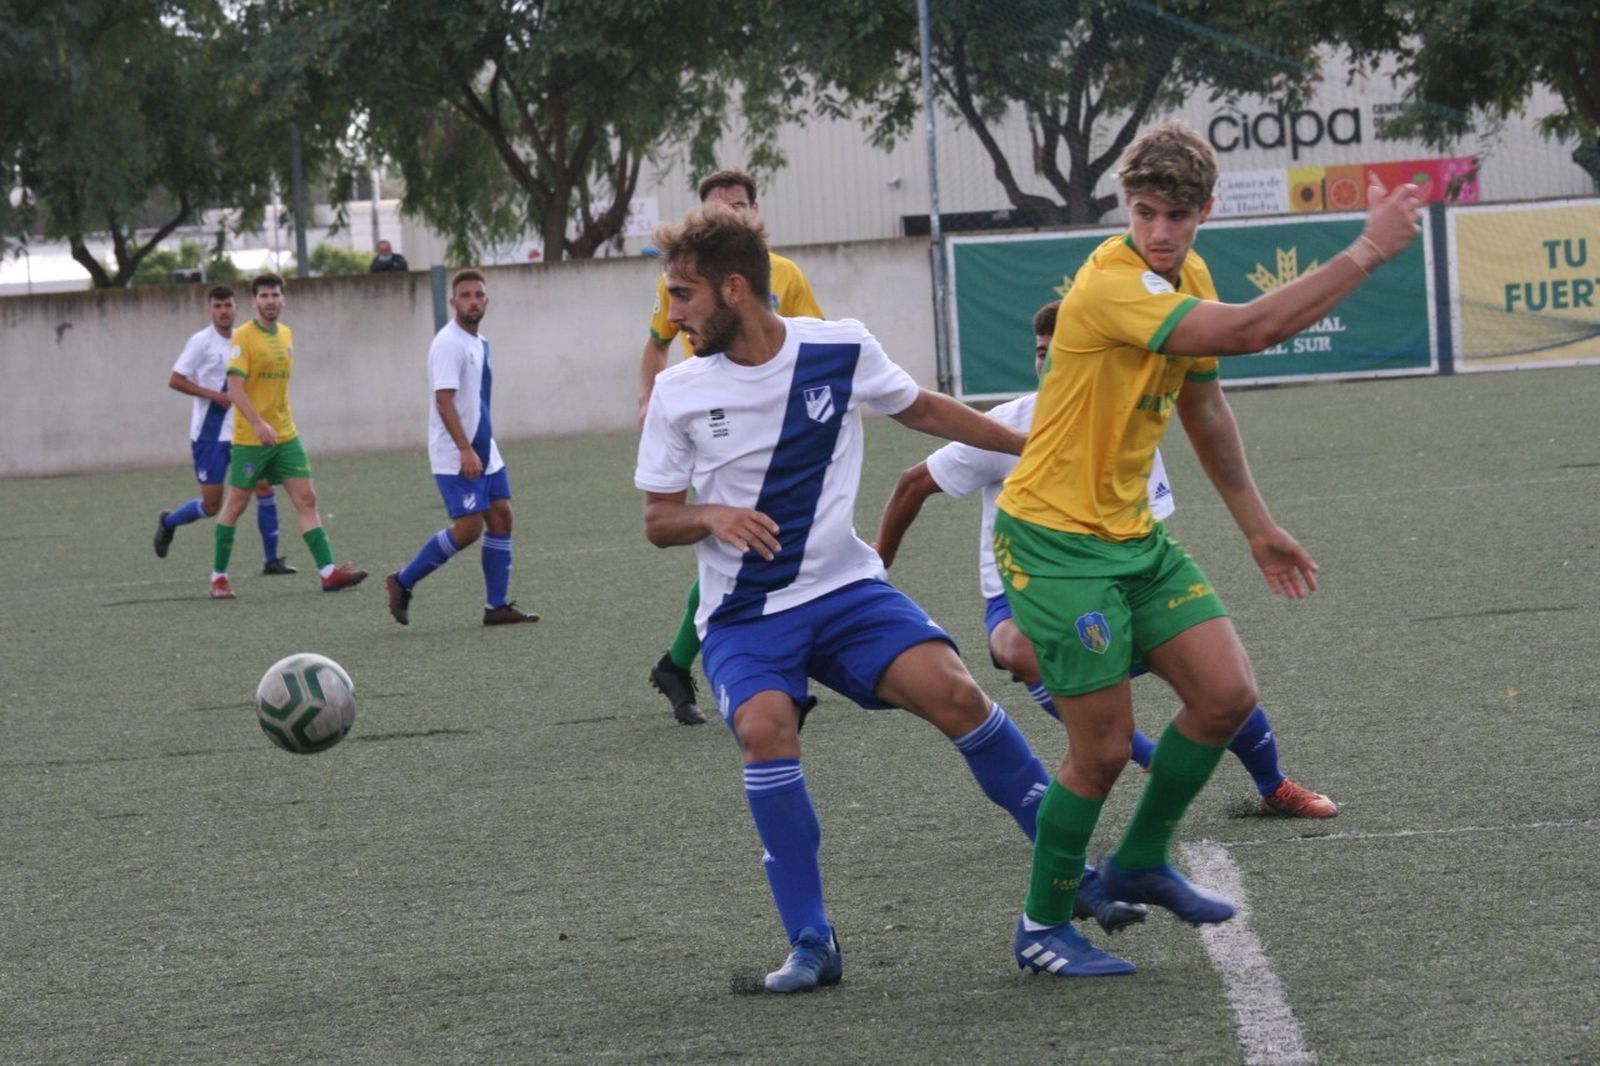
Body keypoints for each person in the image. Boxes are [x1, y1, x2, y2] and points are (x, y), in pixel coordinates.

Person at [992, 121, 1421, 977]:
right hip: (1056, 543)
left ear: (1204, 213)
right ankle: (1041, 925)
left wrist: (1256, 524)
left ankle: (1141, 861)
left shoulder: (1187, 271)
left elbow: (1205, 407)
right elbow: (1253, 331)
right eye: (1144, 212)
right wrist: (1368, 251)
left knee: (1225, 695)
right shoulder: (1111, 282)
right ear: (1127, 209)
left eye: (1176, 215)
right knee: (1103, 749)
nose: (1158, 232)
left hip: (1131, 537)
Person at [636, 205, 1078, 993]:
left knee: (957, 692)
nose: (672, 316)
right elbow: (658, 519)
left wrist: (1029, 445)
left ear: (733, 289)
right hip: (743, 615)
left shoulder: (838, 348)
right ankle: (812, 942)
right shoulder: (678, 391)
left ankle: (1077, 879)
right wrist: (712, 515)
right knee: (765, 729)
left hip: (844, 589)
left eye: (682, 296)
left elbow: (921, 408)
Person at [874, 298, 1338, 822]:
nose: (1048, 363)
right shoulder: (1007, 427)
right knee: (1016, 647)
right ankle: (1149, 760)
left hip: (1118, 579)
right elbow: (913, 483)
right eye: (1040, 352)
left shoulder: (1129, 427)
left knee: (1215, 677)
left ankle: (1275, 786)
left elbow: (1148, 528)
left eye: (1061, 351)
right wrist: (878, 562)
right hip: (1023, 593)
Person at [638, 168, 824, 727]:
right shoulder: (682, 281)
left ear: (756, 211)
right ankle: (759, 671)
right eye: (720, 209)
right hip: (712, 426)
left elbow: (813, 343)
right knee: (745, 538)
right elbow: (655, 344)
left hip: (774, 426)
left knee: (752, 540)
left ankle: (680, 662)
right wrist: (649, 402)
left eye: (740, 207)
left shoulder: (784, 274)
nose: (732, 216)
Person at [384, 270, 539, 627]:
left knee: (501, 516)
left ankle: (496, 606)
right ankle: (402, 581)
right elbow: (444, 402)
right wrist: (465, 450)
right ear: (454, 302)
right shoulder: (448, 344)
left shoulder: (480, 342)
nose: (473, 300)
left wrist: (483, 448)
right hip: (458, 454)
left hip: (485, 450)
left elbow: (476, 401)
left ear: (486, 300)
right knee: (468, 528)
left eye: (478, 295)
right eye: (465, 295)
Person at [207, 272, 368, 599]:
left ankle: (328, 573)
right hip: (251, 439)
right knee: (236, 504)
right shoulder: (243, 337)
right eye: (263, 296)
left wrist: (276, 425)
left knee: (307, 499)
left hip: (285, 435)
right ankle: (219, 577)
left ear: (283, 299)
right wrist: (257, 424)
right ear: (254, 302)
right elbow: (234, 389)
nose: (270, 301)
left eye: (274, 295)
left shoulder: (285, 334)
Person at [153, 285, 295, 575]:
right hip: (210, 435)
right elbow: (175, 380)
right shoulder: (200, 342)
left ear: (237, 308)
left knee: (264, 487)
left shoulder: (246, 337)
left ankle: (272, 559)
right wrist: (212, 394)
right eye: (218, 306)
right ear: (210, 310)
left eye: (228, 305)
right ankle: (169, 522)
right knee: (212, 504)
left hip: (244, 431)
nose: (224, 311)